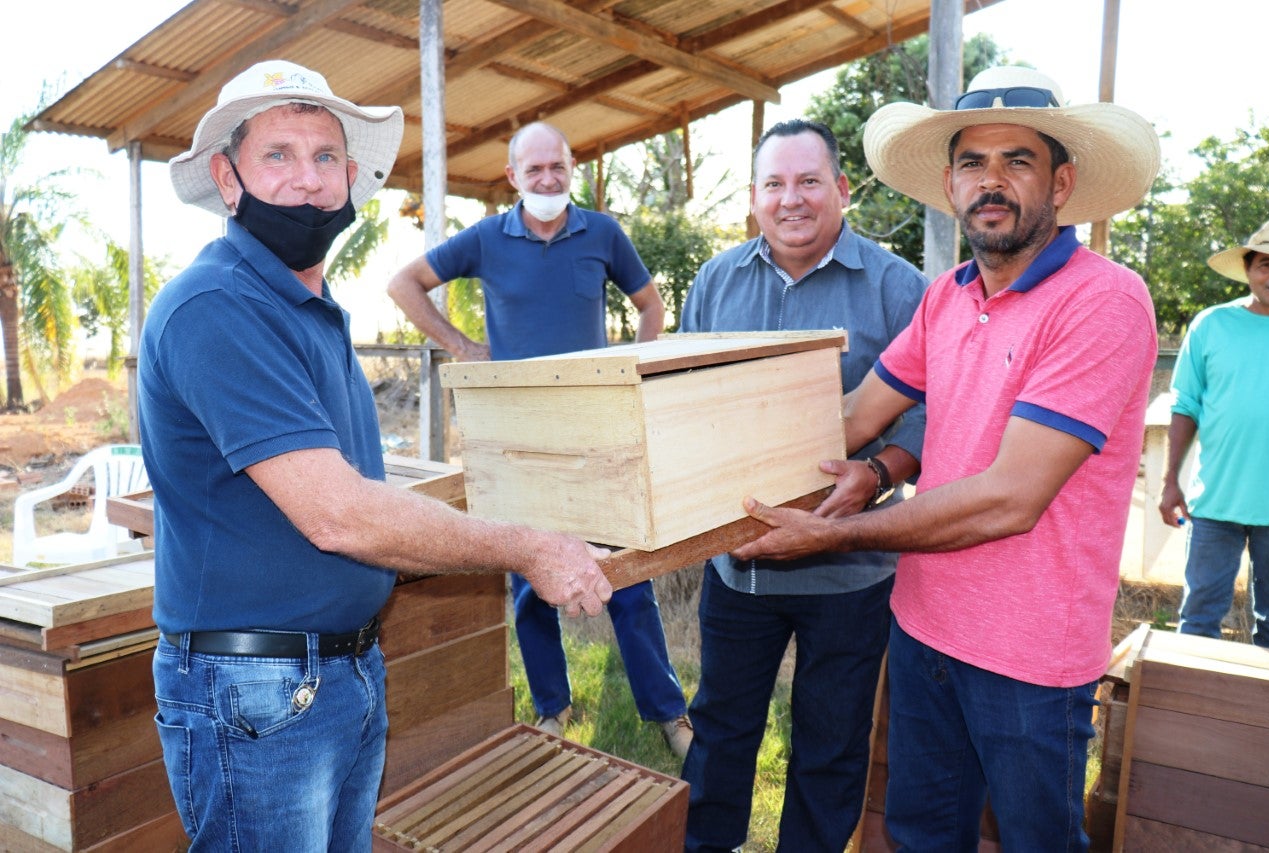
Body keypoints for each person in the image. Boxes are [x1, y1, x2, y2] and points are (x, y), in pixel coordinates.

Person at [140, 60, 613, 852]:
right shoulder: (219, 304)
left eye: (326, 158)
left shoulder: (308, 307)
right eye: (278, 156)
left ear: (352, 180)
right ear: (227, 179)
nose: (307, 180)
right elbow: (338, 513)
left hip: (339, 669)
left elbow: (356, 490)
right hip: (255, 688)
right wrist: (526, 545)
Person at [730, 67, 1161, 849]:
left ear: (1061, 182)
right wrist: (721, 471)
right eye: (973, 163)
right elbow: (857, 414)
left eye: (1017, 161)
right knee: (921, 834)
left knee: (1037, 839)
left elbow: (1010, 498)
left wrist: (836, 532)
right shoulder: (946, 296)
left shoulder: (1104, 298)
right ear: (949, 183)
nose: (991, 182)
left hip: (1030, 654)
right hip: (925, 628)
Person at [386, 121, 692, 756]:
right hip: (516, 436)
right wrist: (465, 348)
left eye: (557, 167)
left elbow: (650, 305)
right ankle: (552, 706)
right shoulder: (487, 238)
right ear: (513, 177)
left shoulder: (602, 233)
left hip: (598, 429)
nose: (548, 180)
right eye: (535, 171)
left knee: (627, 572)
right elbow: (403, 285)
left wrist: (636, 365)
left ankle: (667, 712)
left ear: (571, 166)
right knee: (529, 580)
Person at [676, 119, 928, 852]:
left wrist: (878, 472)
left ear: (842, 190)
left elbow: (931, 411)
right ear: (753, 197)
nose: (792, 199)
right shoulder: (715, 282)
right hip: (740, 567)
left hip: (851, 570)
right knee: (720, 731)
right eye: (774, 184)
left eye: (809, 181)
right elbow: (684, 399)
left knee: (831, 744)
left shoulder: (897, 287)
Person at [1160, 216, 1269, 648]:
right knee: (1198, 619)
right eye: (1266, 263)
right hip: (1215, 503)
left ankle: (1266, 717)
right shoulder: (1211, 325)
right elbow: (1185, 404)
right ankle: (1190, 715)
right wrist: (1169, 480)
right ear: (1247, 269)